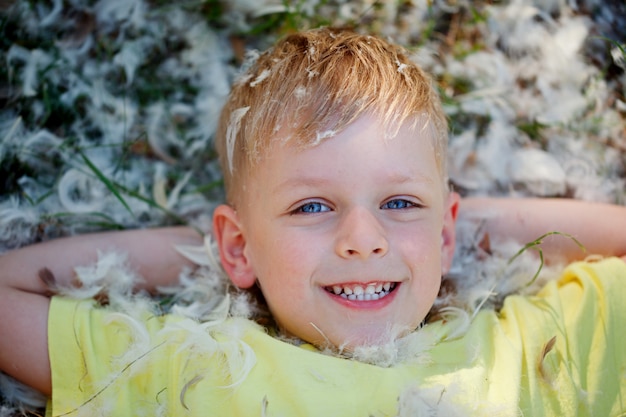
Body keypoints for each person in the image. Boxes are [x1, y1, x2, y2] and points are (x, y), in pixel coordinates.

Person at [1, 27, 625, 416]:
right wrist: (221, 251)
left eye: (398, 204)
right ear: (239, 246)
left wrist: (457, 229)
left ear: (445, 230)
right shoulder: (186, 371)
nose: (364, 240)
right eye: (312, 207)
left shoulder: (529, 355)